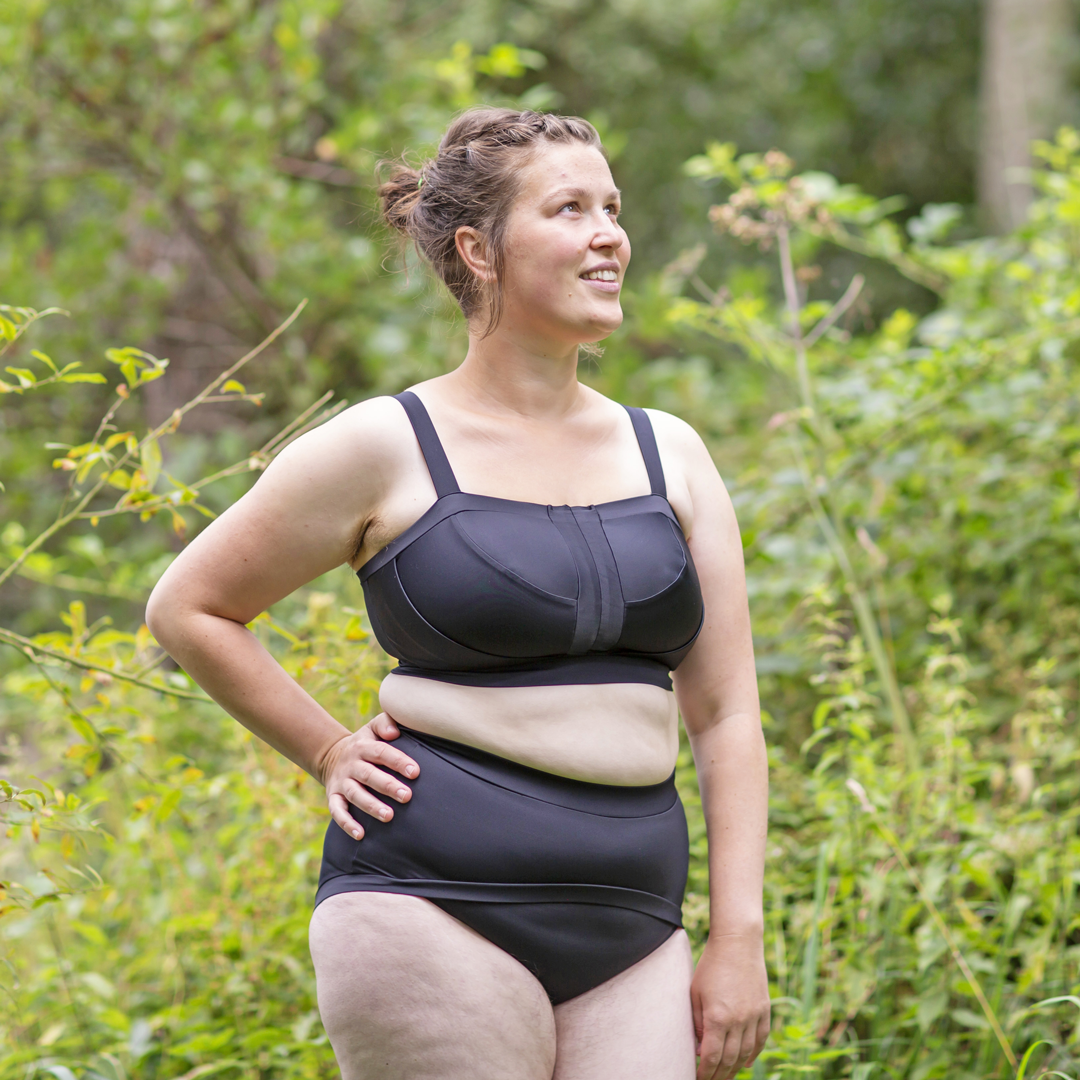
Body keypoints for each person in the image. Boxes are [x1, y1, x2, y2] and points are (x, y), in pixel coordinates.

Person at [146, 107, 769, 1080]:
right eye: (570, 209)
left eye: (612, 206)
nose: (609, 233)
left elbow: (727, 712)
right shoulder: (384, 447)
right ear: (479, 249)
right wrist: (326, 749)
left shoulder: (671, 454)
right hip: (427, 903)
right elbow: (190, 607)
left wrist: (739, 936)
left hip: (634, 925)